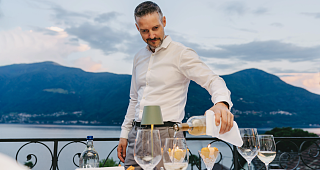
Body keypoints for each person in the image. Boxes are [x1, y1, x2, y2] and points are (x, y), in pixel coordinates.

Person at [117, 1, 234, 170]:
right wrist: (124, 134)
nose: (151, 35)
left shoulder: (181, 54)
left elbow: (212, 80)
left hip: (168, 135)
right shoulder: (138, 58)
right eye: (145, 31)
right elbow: (134, 99)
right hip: (137, 135)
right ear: (137, 28)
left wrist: (222, 104)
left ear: (164, 21)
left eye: (155, 28)